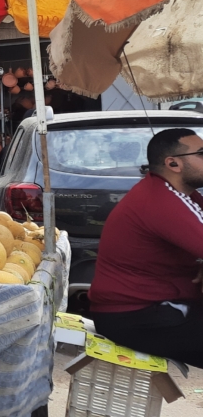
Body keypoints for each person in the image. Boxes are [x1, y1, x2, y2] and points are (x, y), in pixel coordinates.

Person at [88, 129, 203, 368]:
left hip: (153, 308)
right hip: (139, 317)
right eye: (202, 153)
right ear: (173, 163)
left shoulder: (179, 194)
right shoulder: (163, 201)